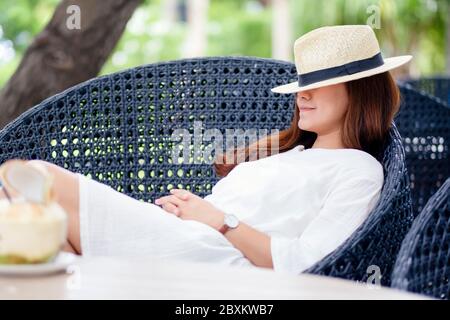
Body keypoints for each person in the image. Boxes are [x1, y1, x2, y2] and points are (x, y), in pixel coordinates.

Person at [0, 25, 412, 275]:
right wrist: (195, 213)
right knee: (46, 241)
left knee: (35, 180)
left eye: (317, 85)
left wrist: (219, 221)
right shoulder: (294, 154)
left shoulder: (358, 169)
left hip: (215, 257)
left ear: (359, 89)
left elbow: (308, 261)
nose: (303, 96)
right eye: (302, 84)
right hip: (188, 237)